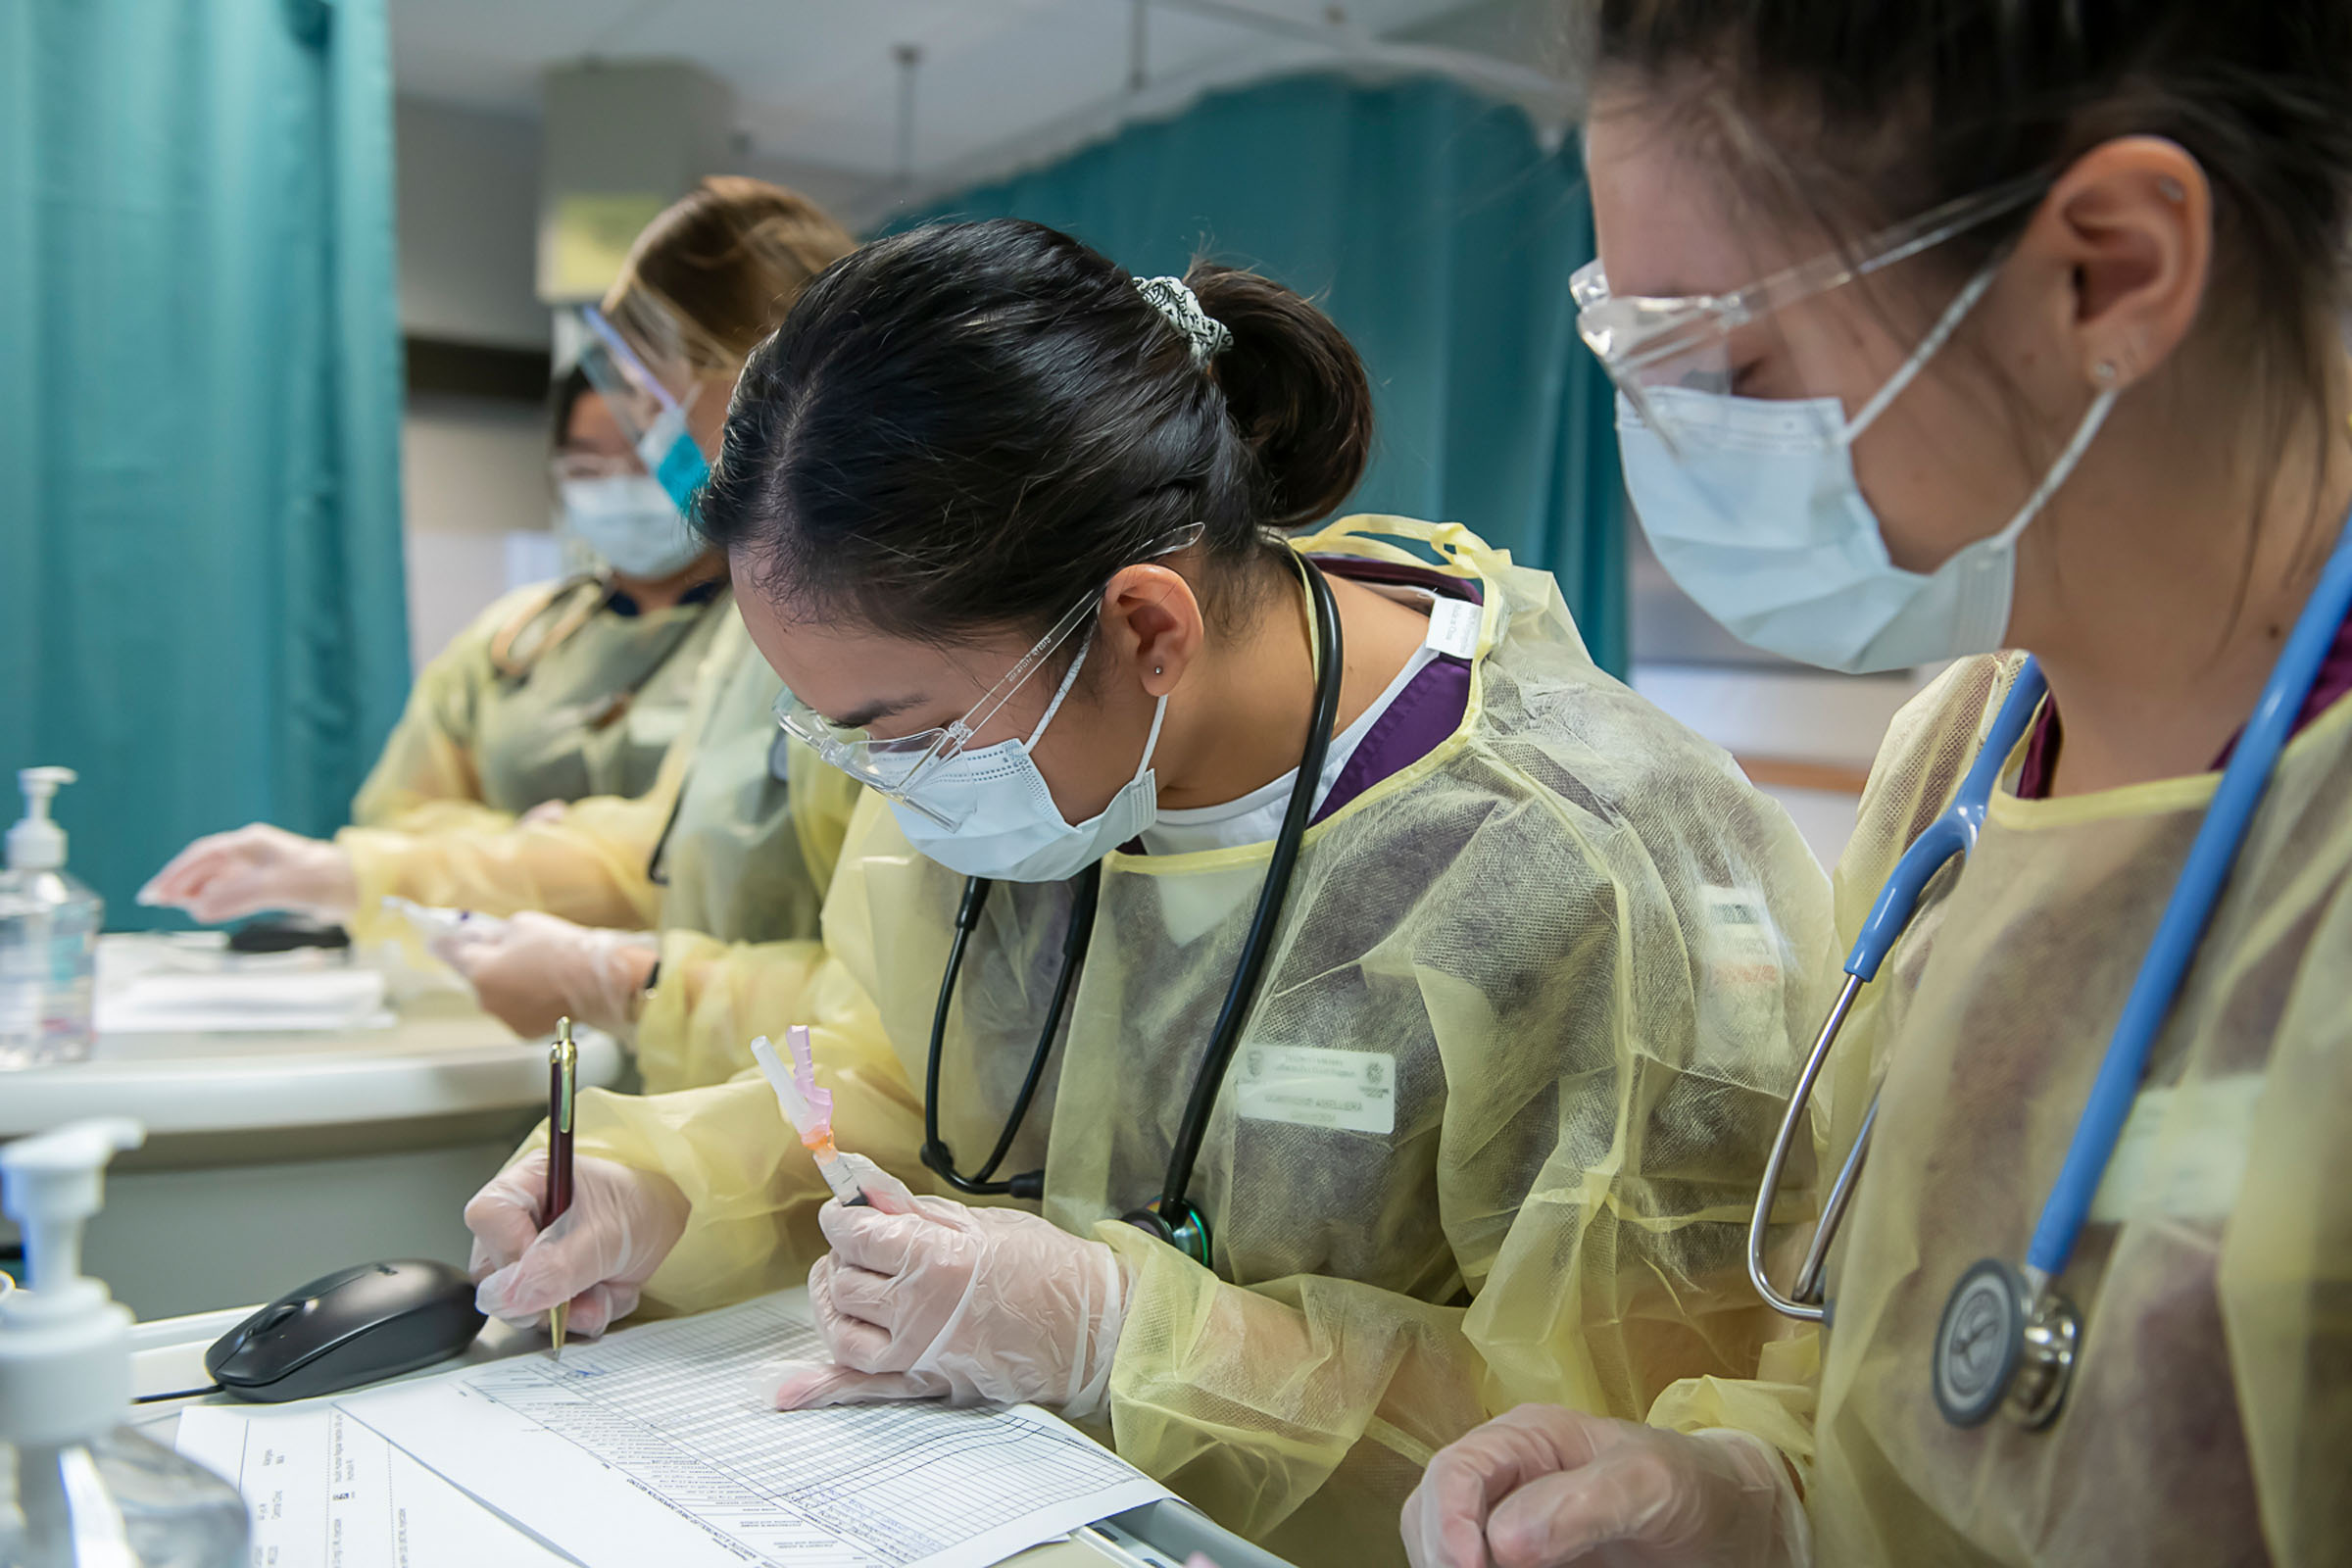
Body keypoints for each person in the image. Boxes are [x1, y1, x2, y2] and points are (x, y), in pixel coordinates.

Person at [458, 219, 1837, 1566]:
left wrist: (1127, 1335)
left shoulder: (1581, 863)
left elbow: (1616, 1459)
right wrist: (662, 1188)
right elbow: (896, 1081)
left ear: (1143, 628)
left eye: (905, 728)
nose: (890, 788)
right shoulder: (1027, 763)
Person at [1403, 4, 2352, 1565]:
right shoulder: (1960, 761)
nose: (1677, 438)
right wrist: (1748, 1495)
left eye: (1721, 359)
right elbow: (1894, 1385)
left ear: (2103, 268)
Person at [141, 178, 862, 1091]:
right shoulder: (726, 638)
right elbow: (646, 854)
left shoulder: (846, 631)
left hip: (788, 1121)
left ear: (766, 375)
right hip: (727, 1107)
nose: (649, 442)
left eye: (648, 396)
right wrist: (351, 873)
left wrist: (626, 980)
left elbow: (903, 1032)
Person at [349, 365, 732, 837]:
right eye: (586, 468)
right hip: (501, 909)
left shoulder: (762, 634)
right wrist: (512, 849)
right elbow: (395, 819)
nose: (618, 487)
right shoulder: (510, 636)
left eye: (645, 462)